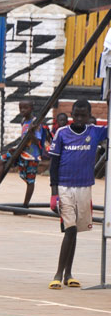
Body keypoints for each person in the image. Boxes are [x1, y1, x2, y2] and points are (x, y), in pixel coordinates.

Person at [48, 99, 106, 290]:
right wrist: (53, 193)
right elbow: (54, 164)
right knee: (69, 229)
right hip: (65, 187)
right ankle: (57, 274)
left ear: (89, 116)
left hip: (85, 187)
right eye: (76, 115)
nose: (79, 118)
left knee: (76, 231)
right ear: (72, 113)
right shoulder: (62, 133)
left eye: (83, 115)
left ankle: (68, 274)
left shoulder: (95, 132)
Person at [0, 100, 44, 208]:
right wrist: (16, 147)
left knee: (30, 180)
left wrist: (31, 131)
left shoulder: (36, 123)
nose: (22, 110)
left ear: (31, 108)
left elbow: (37, 142)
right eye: (20, 108)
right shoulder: (23, 120)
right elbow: (24, 137)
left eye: (25, 108)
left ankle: (25, 205)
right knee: (1, 159)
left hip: (31, 155)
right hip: (21, 150)